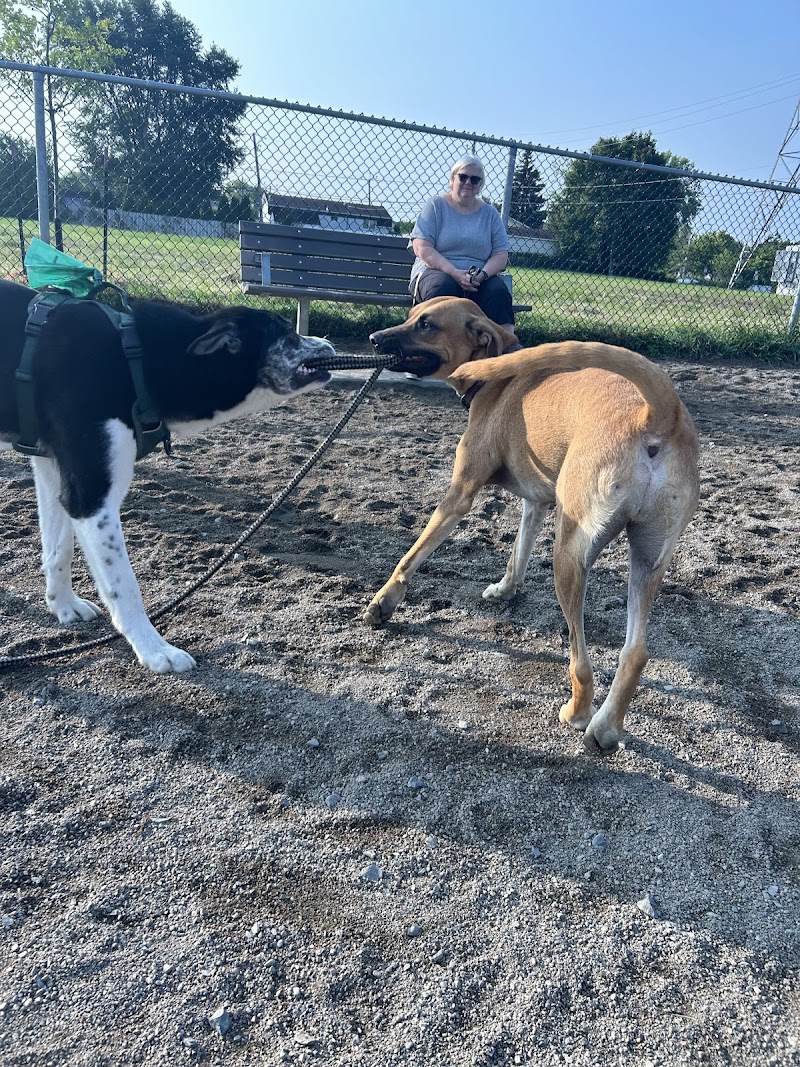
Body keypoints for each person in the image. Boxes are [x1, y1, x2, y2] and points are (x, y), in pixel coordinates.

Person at [408, 155, 517, 338]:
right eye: (463, 177)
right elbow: (422, 247)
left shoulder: (490, 214)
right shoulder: (435, 206)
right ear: (453, 179)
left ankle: (506, 348)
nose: (468, 182)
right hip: (437, 271)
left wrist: (482, 275)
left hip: (478, 277)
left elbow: (500, 254)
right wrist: (453, 272)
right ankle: (436, 348)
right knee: (443, 288)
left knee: (498, 292)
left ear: (480, 185)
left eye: (475, 180)